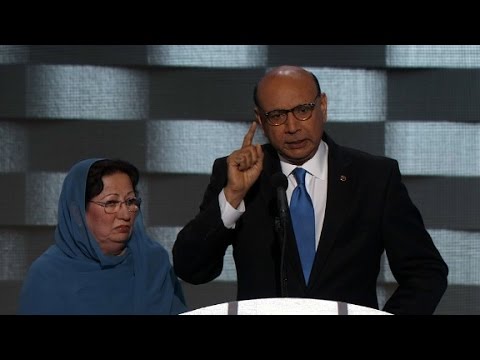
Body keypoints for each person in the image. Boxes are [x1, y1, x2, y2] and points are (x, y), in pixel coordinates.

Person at [173, 65, 448, 315]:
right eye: (277, 116)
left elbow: (426, 272)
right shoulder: (235, 174)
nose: (292, 127)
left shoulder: (374, 177)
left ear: (323, 106)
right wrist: (232, 197)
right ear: (260, 119)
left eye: (303, 110)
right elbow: (192, 269)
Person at [18, 158, 187, 315]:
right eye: (111, 203)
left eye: (130, 202)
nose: (125, 214)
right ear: (76, 212)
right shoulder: (47, 275)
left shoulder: (153, 262)